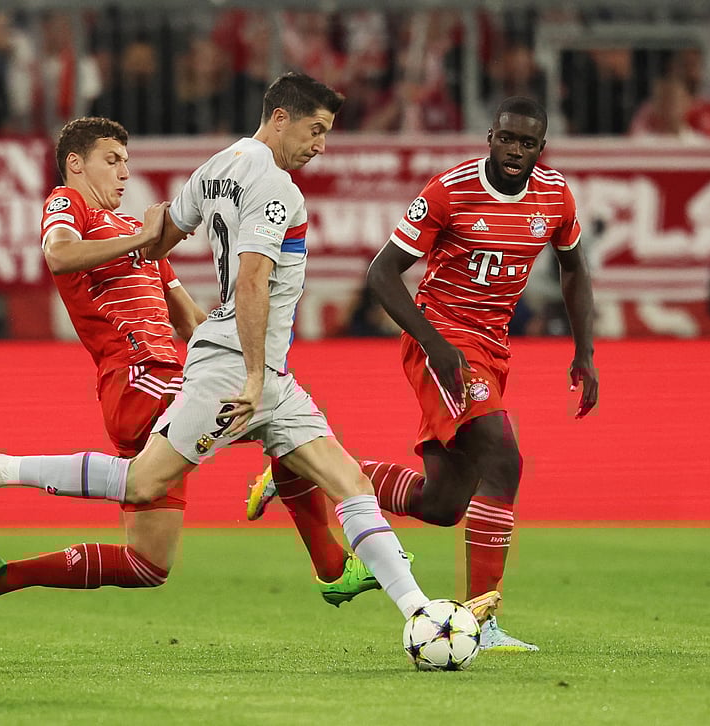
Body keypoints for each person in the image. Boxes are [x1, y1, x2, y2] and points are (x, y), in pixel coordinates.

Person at [0, 72, 501, 630]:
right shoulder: (276, 188)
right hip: (229, 366)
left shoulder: (217, 167)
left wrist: (150, 237)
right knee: (143, 481)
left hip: (261, 369)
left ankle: (419, 611)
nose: (321, 146)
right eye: (316, 130)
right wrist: (249, 374)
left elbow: (165, 239)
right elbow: (251, 279)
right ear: (281, 118)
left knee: (349, 482)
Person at [252, 96, 597, 652]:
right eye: (507, 138)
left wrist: (585, 352)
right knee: (503, 459)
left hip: (493, 348)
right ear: (490, 138)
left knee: (442, 504)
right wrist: (433, 343)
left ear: (541, 148)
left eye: (528, 143)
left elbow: (574, 266)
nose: (515, 150)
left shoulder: (554, 194)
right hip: (444, 341)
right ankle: (483, 623)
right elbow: (382, 272)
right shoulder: (450, 190)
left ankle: (308, 467)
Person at [0, 117, 204, 627]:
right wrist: (144, 237)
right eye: (112, 160)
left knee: (148, 564)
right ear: (76, 163)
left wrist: (245, 341)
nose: (124, 172)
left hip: (165, 373)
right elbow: (59, 253)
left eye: (127, 162)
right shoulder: (68, 202)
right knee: (260, 416)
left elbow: (190, 321)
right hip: (139, 374)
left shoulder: (138, 237)